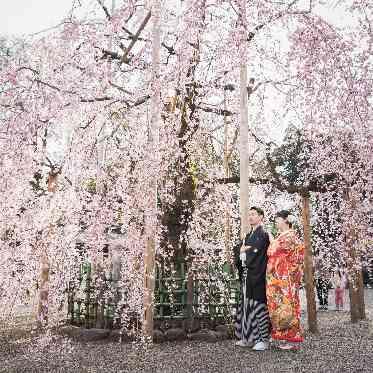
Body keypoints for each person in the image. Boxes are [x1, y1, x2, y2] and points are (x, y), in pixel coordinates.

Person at [266, 210, 304, 351]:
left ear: (286, 220)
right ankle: (282, 336)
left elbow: (273, 251)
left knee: (285, 307)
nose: (276, 222)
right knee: (277, 306)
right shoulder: (284, 236)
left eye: (278, 219)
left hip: (285, 279)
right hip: (280, 278)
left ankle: (289, 338)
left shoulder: (290, 236)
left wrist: (272, 241)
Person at [234, 206, 271, 351]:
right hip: (247, 275)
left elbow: (256, 252)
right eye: (249, 214)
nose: (250, 217)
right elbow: (239, 250)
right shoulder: (248, 235)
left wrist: (244, 252)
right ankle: (247, 337)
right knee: (245, 306)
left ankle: (263, 339)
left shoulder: (263, 234)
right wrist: (241, 251)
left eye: (254, 214)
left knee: (258, 306)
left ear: (261, 217)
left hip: (258, 275)